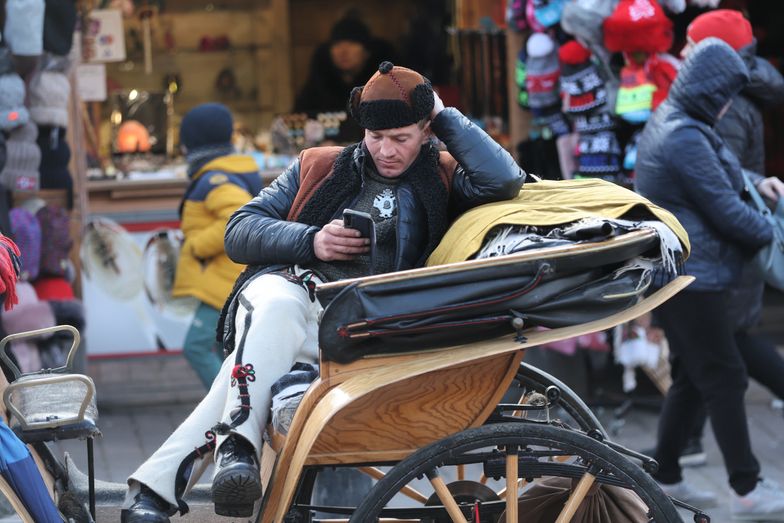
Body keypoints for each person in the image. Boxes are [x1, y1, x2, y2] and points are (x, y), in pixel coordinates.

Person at [121, 62, 526, 522]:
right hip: (296, 304)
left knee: (240, 367)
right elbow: (239, 231)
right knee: (274, 297)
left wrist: (443, 112)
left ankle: (181, 480)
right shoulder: (319, 165)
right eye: (375, 137)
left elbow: (505, 180)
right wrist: (311, 239)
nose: (386, 151)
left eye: (401, 138)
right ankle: (218, 462)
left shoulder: (444, 174)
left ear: (425, 130)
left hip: (368, 329)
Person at [635, 38, 784, 520]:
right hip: (693, 276)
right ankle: (747, 487)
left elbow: (722, 173)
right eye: (723, 96)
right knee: (724, 377)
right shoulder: (684, 134)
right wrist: (773, 231)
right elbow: (728, 214)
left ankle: (667, 473)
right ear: (709, 90)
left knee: (691, 378)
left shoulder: (680, 119)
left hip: (685, 274)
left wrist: (755, 184)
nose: (726, 106)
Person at [674, 8, 784, 469]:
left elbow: (723, 181)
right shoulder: (724, 96)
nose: (682, 51)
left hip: (720, 252)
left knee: (719, 358)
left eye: (692, 43)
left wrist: (758, 227)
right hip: (719, 249)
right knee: (710, 357)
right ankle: (678, 453)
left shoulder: (726, 103)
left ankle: (720, 469)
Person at [172, 103, 263, 389]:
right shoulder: (221, 171)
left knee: (196, 347)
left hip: (222, 283)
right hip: (224, 277)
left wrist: (197, 245)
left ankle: (230, 404)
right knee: (219, 348)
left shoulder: (215, 178)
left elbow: (236, 215)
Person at [293, 12, 397, 142]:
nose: (343, 50)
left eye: (352, 43)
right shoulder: (318, 84)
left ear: (367, 52)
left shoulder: (384, 85)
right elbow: (298, 123)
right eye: (336, 44)